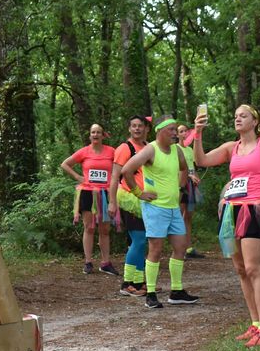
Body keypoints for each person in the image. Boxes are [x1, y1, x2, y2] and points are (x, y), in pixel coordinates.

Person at [192, 104, 260, 347]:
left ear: (255, 121)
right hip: (231, 210)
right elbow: (201, 159)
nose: (237, 119)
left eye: (243, 116)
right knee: (240, 269)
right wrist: (198, 132)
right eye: (235, 116)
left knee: (253, 267)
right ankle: (255, 323)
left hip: (254, 208)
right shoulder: (230, 147)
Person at [116, 117, 200, 309]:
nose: (174, 133)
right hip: (155, 208)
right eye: (171, 129)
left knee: (180, 247)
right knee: (155, 249)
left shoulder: (176, 150)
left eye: (175, 130)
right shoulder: (150, 149)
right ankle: (151, 294)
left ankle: (176, 291)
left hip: (173, 208)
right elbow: (127, 170)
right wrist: (139, 193)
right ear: (160, 131)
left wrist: (179, 187)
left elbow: (183, 168)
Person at [61, 124, 119, 276]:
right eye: (93, 132)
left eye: (98, 132)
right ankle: (88, 262)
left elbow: (120, 167)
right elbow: (65, 164)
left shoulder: (111, 151)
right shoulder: (84, 151)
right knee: (89, 227)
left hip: (106, 193)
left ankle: (105, 263)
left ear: (103, 135)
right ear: (90, 135)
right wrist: (77, 177)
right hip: (88, 192)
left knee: (105, 229)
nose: (95, 134)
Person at [107, 115, 151, 296]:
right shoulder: (125, 148)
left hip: (147, 201)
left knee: (141, 243)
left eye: (140, 126)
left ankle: (139, 283)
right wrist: (112, 202)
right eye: (133, 126)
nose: (137, 129)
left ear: (146, 128)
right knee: (138, 240)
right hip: (129, 199)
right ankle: (127, 283)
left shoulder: (149, 147)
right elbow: (115, 177)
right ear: (129, 129)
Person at [175, 123, 204, 259]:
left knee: (188, 216)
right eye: (181, 131)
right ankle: (179, 249)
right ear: (177, 134)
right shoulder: (175, 148)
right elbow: (176, 169)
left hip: (191, 185)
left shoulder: (190, 149)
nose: (184, 133)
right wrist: (188, 176)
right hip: (180, 185)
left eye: (186, 130)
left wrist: (195, 176)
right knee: (179, 216)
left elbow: (192, 167)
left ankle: (188, 247)